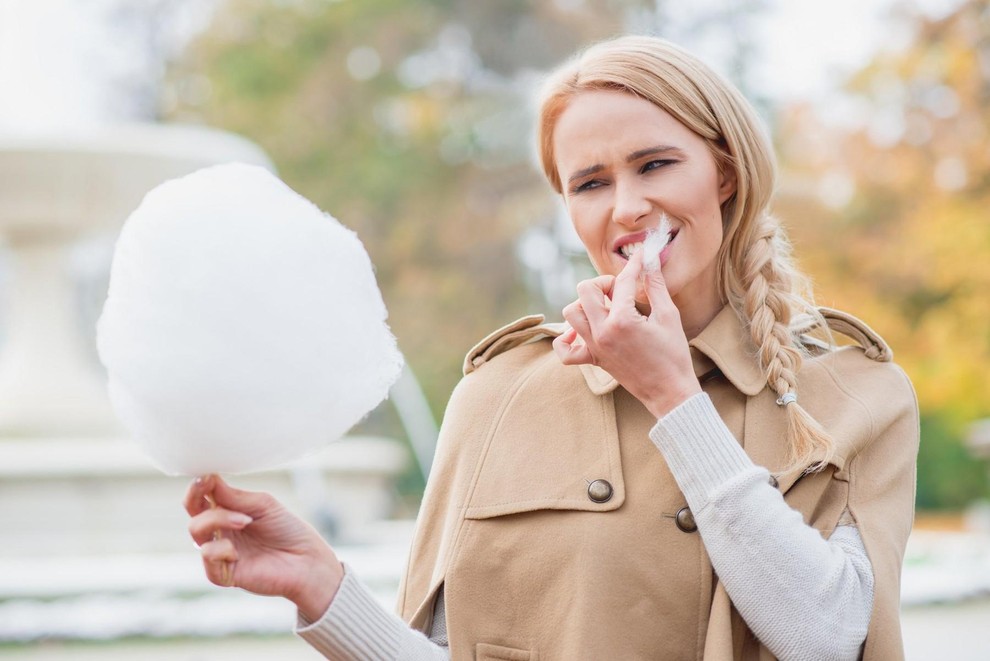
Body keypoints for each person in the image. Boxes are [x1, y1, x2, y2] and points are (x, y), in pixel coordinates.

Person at [185, 34, 919, 660]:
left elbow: (829, 635)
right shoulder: (497, 394)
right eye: (591, 183)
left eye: (656, 164)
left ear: (724, 171)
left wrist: (672, 395)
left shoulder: (855, 391)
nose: (627, 206)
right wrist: (323, 587)